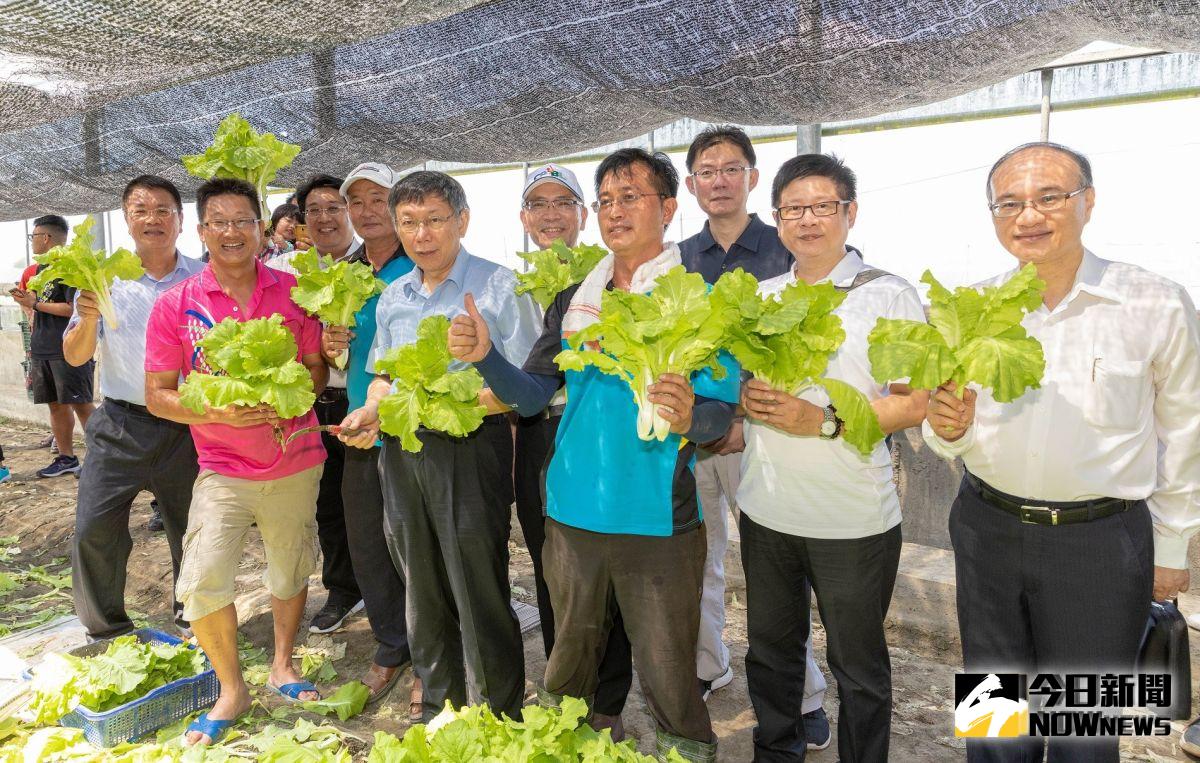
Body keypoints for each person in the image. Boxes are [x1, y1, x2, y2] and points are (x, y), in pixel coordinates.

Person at [450, 148, 738, 762]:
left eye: (630, 197)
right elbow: (533, 396)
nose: (614, 211)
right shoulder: (575, 299)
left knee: (668, 672)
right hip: (572, 511)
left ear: (668, 207)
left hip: (657, 518)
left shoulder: (699, 298)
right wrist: (486, 358)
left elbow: (719, 413)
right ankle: (564, 748)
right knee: (569, 660)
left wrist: (690, 416)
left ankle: (687, 749)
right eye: (606, 200)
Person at [924, 142, 1200, 763]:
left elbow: (1186, 432)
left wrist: (1173, 545)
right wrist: (948, 428)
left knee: (1083, 734)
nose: (1028, 215)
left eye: (1049, 197)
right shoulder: (970, 308)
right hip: (986, 529)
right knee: (996, 723)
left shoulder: (1154, 302)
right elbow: (946, 432)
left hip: (1099, 546)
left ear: (1088, 202)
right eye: (1009, 203)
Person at [738, 154, 928, 763]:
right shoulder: (763, 297)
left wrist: (823, 421)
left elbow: (914, 402)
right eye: (793, 209)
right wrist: (747, 399)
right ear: (776, 219)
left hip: (852, 521)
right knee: (771, 654)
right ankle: (776, 750)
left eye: (822, 206)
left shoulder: (888, 295)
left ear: (850, 213)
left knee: (858, 667)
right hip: (766, 513)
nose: (807, 220)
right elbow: (746, 390)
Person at [338, 170, 541, 721]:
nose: (422, 234)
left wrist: (451, 405)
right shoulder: (394, 297)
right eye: (409, 223)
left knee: (477, 586)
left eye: (434, 220)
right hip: (402, 452)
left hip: (471, 449)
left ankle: (498, 714)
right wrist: (371, 410)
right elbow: (383, 377)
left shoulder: (499, 287)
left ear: (462, 221)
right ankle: (439, 707)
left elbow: (529, 387)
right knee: (420, 586)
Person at [144, 177, 328, 746]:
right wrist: (218, 411)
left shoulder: (294, 292)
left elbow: (317, 370)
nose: (232, 232)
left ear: (261, 228)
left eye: (243, 221)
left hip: (295, 459)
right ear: (201, 231)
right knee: (202, 581)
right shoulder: (176, 304)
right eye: (219, 222)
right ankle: (232, 688)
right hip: (221, 467)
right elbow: (157, 395)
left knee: (290, 569)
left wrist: (287, 394)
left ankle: (282, 664)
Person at [679, 126, 830, 747]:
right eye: (706, 171)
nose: (718, 180)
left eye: (731, 169)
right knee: (697, 562)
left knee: (778, 575)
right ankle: (706, 666)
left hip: (764, 437)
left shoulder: (786, 249)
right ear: (691, 184)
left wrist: (744, 420)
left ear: (752, 178)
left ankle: (805, 695)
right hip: (690, 441)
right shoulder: (677, 260)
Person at [514, 162, 635, 739]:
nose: (551, 215)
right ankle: (565, 688)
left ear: (584, 215)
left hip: (596, 433)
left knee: (607, 571)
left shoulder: (608, 277)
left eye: (563, 203)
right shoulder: (504, 284)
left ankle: (609, 696)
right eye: (538, 204)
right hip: (534, 431)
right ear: (523, 218)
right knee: (550, 566)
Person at [63, 175, 203, 640]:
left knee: (194, 529)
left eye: (163, 210)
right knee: (94, 527)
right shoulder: (103, 281)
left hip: (188, 424)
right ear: (127, 221)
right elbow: (75, 356)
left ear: (180, 220)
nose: (153, 219)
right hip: (121, 422)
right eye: (141, 210)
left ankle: (195, 616)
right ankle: (107, 629)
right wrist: (87, 319)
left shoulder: (204, 277)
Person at [317, 162, 419, 712]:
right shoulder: (348, 271)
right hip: (361, 426)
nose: (367, 211)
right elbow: (339, 352)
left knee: (418, 545)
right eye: (356, 202)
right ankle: (392, 642)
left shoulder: (421, 262)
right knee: (366, 542)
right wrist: (332, 344)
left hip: (414, 427)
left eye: (379, 199)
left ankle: (431, 652)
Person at [270, 175, 364, 635]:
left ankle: (387, 589)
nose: (324, 218)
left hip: (362, 401)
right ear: (301, 218)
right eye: (314, 210)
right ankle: (343, 589)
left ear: (349, 213)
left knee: (370, 504)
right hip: (310, 401)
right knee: (326, 504)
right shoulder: (286, 269)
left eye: (334, 208)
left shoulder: (373, 261)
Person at [10, 215, 95, 477]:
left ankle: (100, 459)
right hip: (43, 346)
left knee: (82, 404)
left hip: (69, 349)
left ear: (46, 237)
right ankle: (67, 458)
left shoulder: (70, 267)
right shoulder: (39, 270)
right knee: (56, 405)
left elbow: (72, 308)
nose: (32, 241)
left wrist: (35, 304)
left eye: (33, 236)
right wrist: (28, 301)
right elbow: (40, 305)